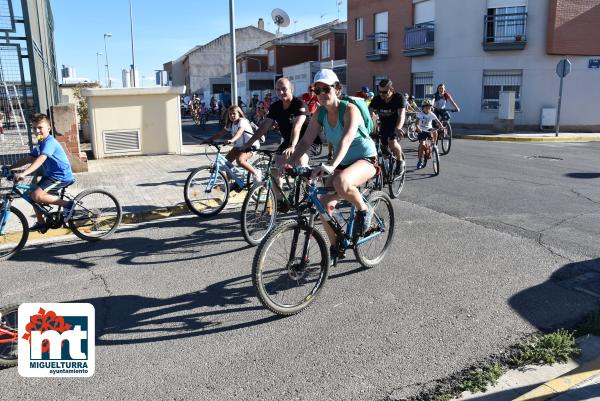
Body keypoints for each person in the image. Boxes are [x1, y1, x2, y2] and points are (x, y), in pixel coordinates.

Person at [289, 69, 378, 260]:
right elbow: (305, 142)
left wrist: (330, 165)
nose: (321, 94)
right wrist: (288, 163)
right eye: (316, 90)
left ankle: (364, 209)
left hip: (365, 158)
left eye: (325, 89)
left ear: (337, 89)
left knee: (341, 182)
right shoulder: (320, 113)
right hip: (342, 160)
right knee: (323, 206)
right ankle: (336, 245)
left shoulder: (349, 110)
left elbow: (346, 140)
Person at [243, 78, 320, 205]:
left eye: (284, 89)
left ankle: (312, 191)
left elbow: (297, 126)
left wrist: (293, 146)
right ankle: (280, 200)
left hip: (308, 140)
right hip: (289, 141)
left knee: (300, 161)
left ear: (291, 89)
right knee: (274, 167)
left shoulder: (299, 104)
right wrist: (248, 143)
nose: (281, 92)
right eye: (278, 89)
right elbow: (264, 127)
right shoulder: (275, 107)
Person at [9, 113, 76, 233]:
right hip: (50, 176)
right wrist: (10, 168)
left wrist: (24, 173)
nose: (37, 131)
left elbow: (41, 159)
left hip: (61, 176)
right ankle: (41, 223)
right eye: (34, 128)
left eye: (40, 127)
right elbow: (29, 158)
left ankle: (69, 205)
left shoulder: (50, 142)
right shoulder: (40, 143)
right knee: (30, 194)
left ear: (49, 129)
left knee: (37, 195)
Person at [201, 105, 262, 183]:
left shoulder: (242, 121)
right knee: (226, 163)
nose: (232, 116)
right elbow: (220, 133)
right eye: (230, 114)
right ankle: (229, 183)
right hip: (240, 146)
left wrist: (232, 140)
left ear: (239, 114)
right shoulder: (231, 124)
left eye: (234, 113)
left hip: (251, 145)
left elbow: (239, 132)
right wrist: (209, 140)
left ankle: (256, 173)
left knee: (240, 160)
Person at [368, 79, 406, 174]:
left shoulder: (399, 98)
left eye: (384, 92)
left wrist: (398, 128)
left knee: (392, 142)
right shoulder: (377, 99)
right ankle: (386, 166)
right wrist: (372, 119)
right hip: (383, 125)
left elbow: (402, 115)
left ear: (391, 89)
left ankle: (400, 161)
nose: (382, 94)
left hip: (395, 125)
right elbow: (369, 111)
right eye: (380, 91)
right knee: (383, 147)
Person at [415, 99, 443, 170]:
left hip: (429, 129)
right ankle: (420, 160)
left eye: (429, 107)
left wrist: (441, 126)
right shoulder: (420, 114)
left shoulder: (432, 114)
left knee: (435, 132)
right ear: (423, 108)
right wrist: (418, 128)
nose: (428, 109)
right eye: (426, 107)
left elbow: (438, 122)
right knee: (422, 144)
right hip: (422, 130)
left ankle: (434, 145)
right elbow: (417, 124)